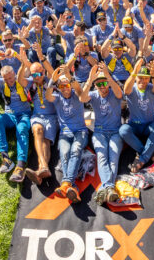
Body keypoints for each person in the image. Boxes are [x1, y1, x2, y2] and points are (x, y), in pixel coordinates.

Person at [46, 66, 89, 203]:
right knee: (64, 153)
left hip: (80, 131)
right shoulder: (57, 97)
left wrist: (69, 77)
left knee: (75, 150)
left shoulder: (77, 95)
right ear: (58, 88)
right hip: (64, 133)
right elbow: (47, 95)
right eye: (62, 86)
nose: (65, 88)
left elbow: (78, 88)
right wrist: (52, 81)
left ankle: (66, 182)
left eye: (67, 85)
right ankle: (72, 188)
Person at [87, 64, 123, 205]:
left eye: (104, 83)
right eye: (99, 84)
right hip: (99, 132)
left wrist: (107, 75)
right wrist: (90, 80)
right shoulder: (94, 94)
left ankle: (105, 188)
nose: (102, 86)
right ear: (95, 86)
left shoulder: (114, 92)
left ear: (108, 82)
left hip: (115, 132)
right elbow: (82, 98)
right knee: (102, 157)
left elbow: (120, 94)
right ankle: (110, 188)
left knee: (113, 158)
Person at [120, 59, 154, 173]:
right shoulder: (132, 87)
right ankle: (150, 153)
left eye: (146, 78)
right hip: (134, 125)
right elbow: (126, 89)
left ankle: (142, 158)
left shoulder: (150, 87)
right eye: (140, 77)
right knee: (123, 130)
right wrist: (134, 72)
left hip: (149, 124)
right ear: (136, 77)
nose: (143, 81)